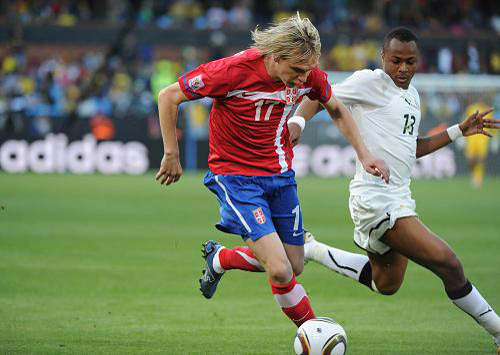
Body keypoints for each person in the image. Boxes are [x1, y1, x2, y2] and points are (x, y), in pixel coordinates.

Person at [155, 13, 389, 328]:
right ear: (276, 58)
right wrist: (171, 153)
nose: (305, 79)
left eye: (308, 71)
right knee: (279, 269)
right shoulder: (232, 71)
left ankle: (221, 258)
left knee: (294, 265)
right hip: (235, 178)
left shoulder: (309, 75)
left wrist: (364, 154)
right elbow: (169, 96)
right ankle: (313, 334)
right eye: (297, 71)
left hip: (280, 176)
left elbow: (337, 109)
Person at [292, 27, 499, 352]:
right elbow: (320, 95)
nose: (402, 68)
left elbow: (410, 147)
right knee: (449, 264)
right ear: (383, 58)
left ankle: (313, 249)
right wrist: (297, 123)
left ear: (419, 62)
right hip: (376, 200)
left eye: (410, 62)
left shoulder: (412, 97)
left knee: (385, 283)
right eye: (396, 61)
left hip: (399, 197)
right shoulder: (370, 82)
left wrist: (458, 131)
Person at [463, 99, 498, 188]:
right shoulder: (471, 109)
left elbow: (491, 123)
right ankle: (473, 175)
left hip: (483, 138)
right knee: (471, 160)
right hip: (471, 138)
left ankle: (478, 178)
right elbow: (464, 121)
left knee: (481, 159)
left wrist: (495, 138)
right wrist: (461, 135)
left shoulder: (487, 110)